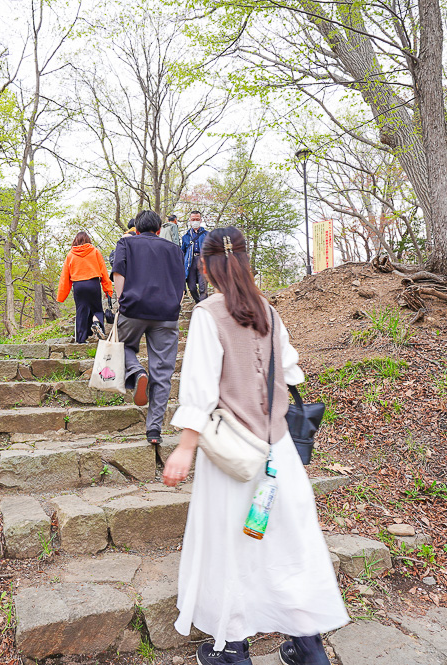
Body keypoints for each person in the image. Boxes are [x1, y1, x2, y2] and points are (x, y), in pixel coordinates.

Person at [162, 227, 348, 665]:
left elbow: (200, 392)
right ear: (245, 262)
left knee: (230, 548)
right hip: (278, 451)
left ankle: (231, 650)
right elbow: (293, 374)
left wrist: (185, 448)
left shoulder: (209, 314)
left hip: (234, 458)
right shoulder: (268, 312)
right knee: (289, 546)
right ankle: (308, 648)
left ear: (204, 267)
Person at [111, 210, 186, 446]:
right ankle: (154, 430)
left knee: (120, 347)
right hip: (166, 313)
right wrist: (176, 305)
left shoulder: (126, 243)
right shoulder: (174, 249)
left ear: (137, 228)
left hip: (133, 309)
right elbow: (180, 283)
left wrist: (122, 301)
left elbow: (118, 274)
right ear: (158, 229)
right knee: (163, 372)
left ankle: (137, 372)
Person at [57, 231, 114, 343]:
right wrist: (108, 290)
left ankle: (81, 339)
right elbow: (103, 272)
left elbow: (65, 277)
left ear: (75, 241)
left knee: (81, 311)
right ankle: (96, 323)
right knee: (97, 309)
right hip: (93, 284)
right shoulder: (95, 252)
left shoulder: (70, 255)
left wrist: (61, 296)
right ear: (88, 240)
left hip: (78, 285)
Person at [180, 210, 208, 302]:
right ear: (190, 220)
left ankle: (203, 306)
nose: (195, 221)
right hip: (190, 262)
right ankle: (198, 302)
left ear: (200, 220)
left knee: (203, 287)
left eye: (197, 219)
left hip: (202, 261)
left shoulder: (206, 234)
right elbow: (182, 251)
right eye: (193, 219)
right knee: (191, 287)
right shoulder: (185, 237)